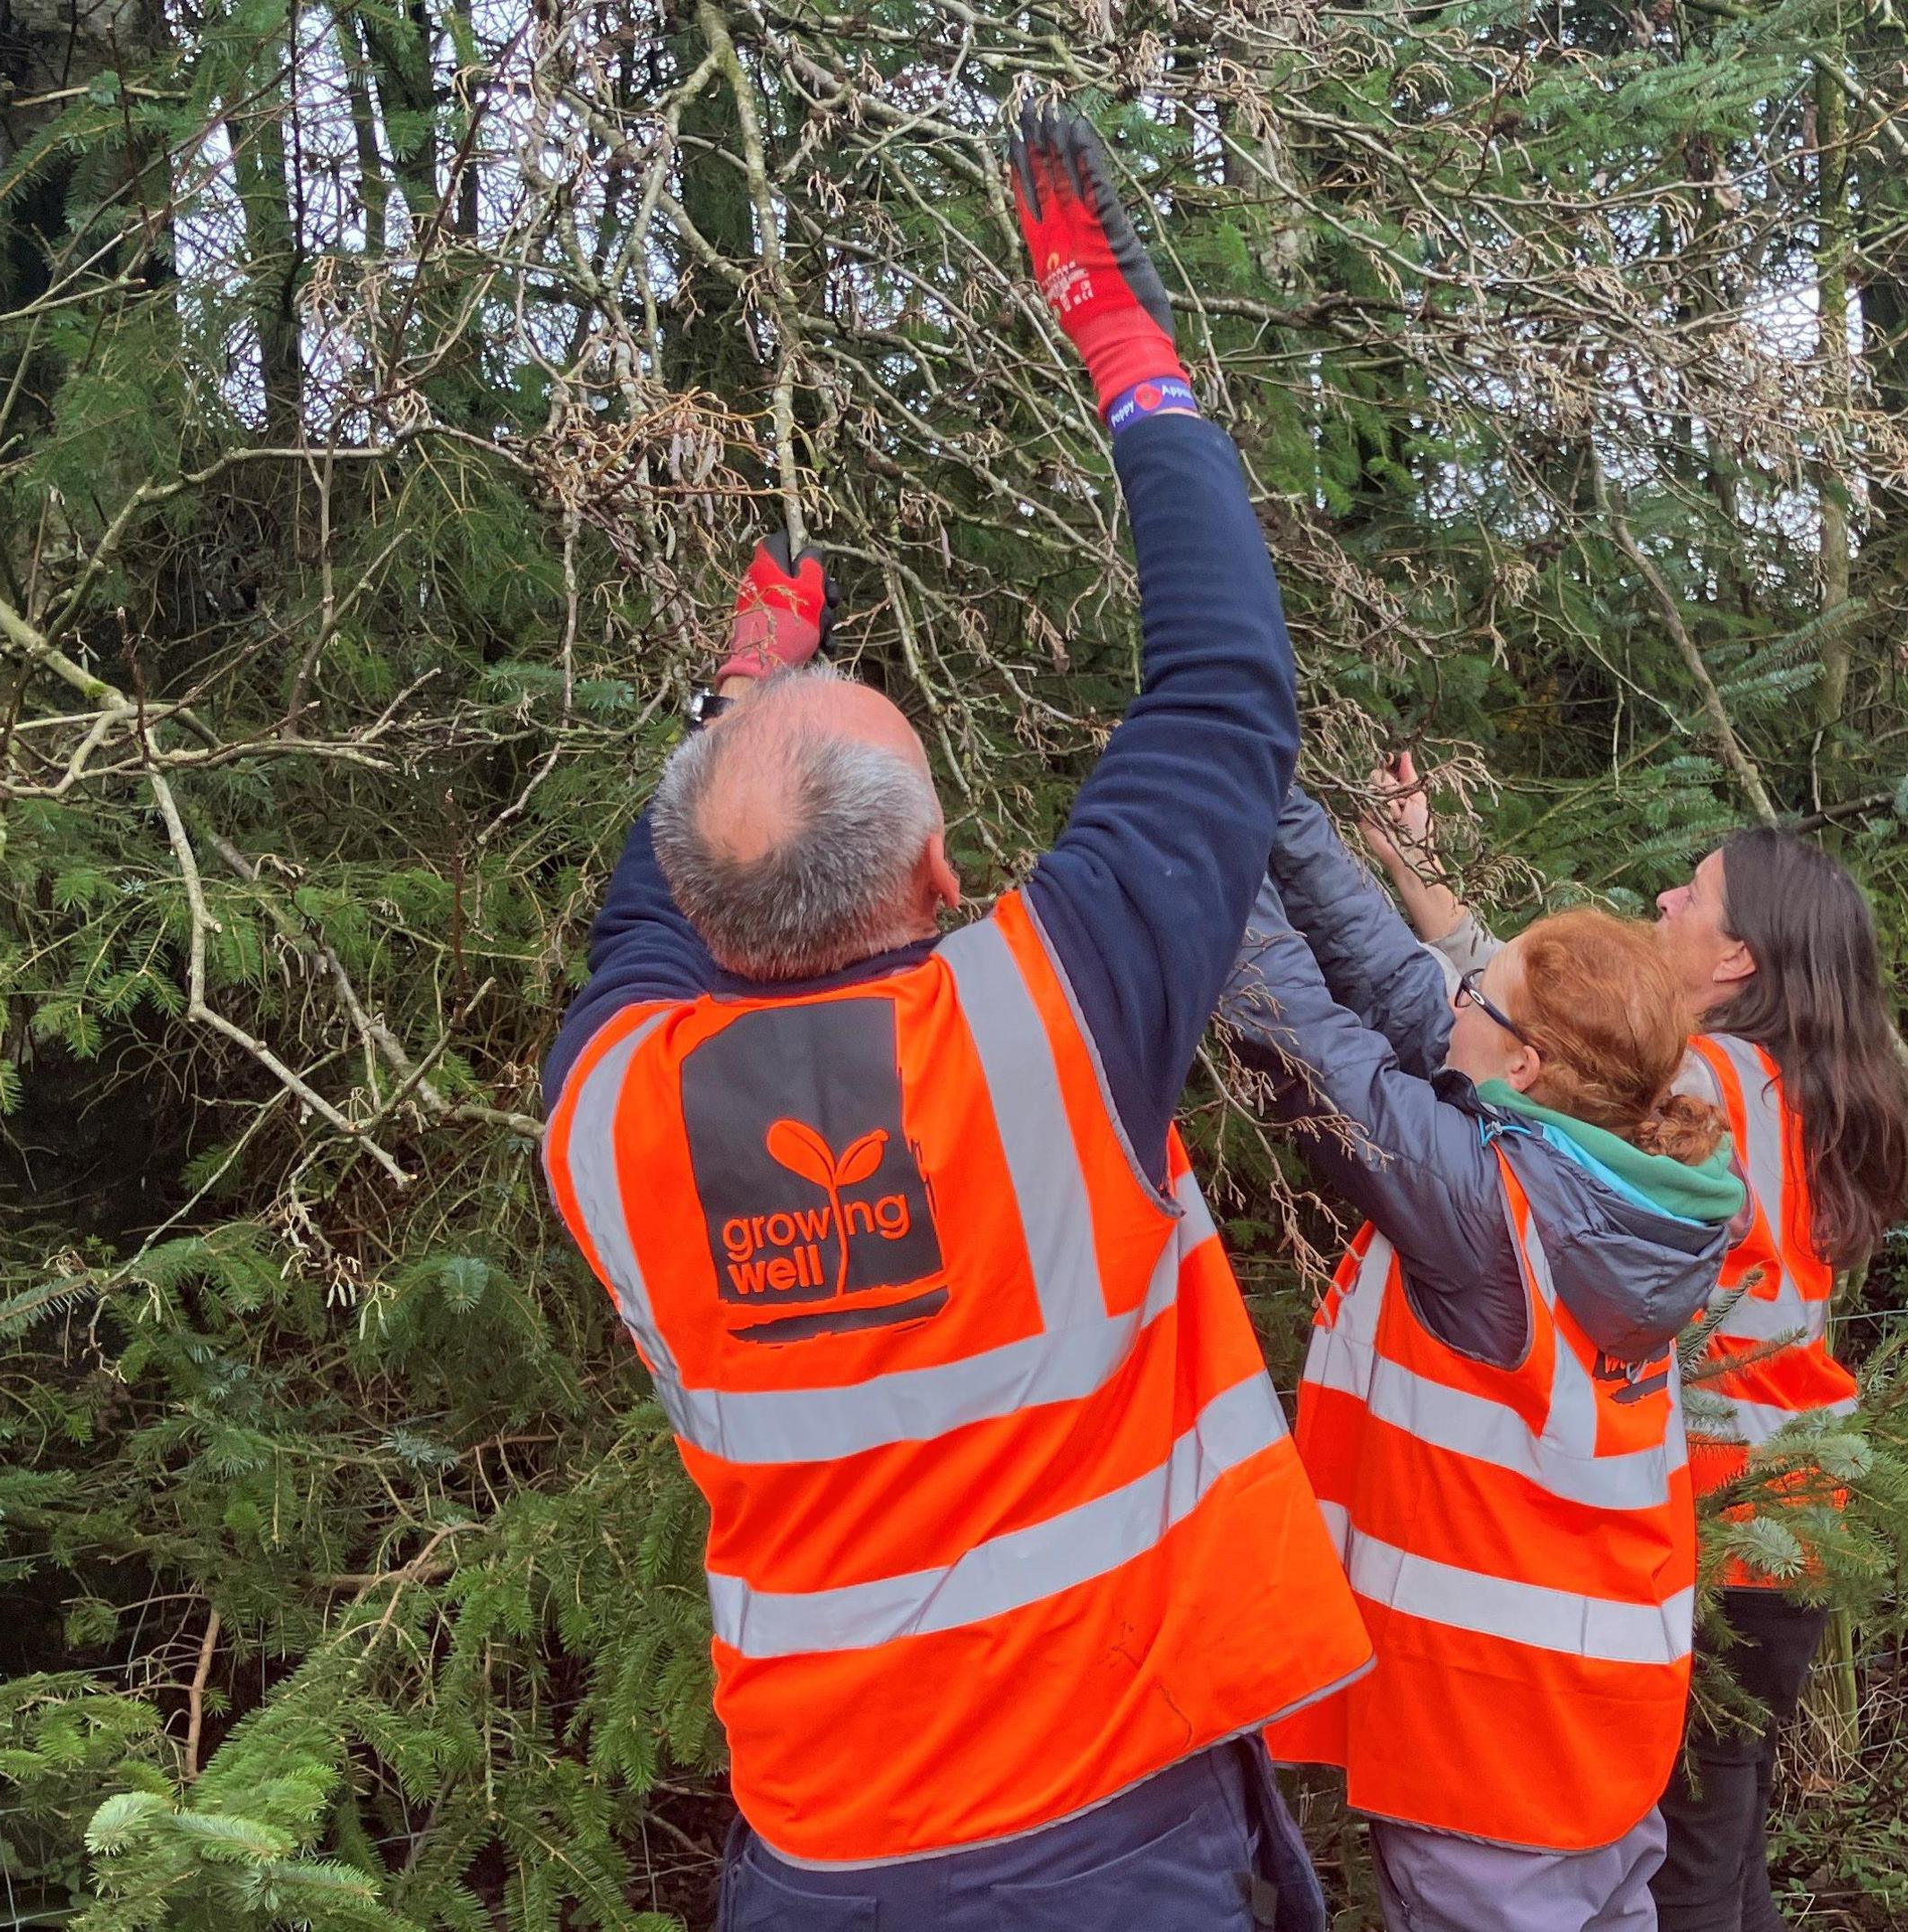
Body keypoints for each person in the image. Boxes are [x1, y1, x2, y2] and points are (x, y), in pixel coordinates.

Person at [538, 109, 1369, 1929]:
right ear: (933, 885)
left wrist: (740, 693)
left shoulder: (604, 1113)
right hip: (1106, 1831)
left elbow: (639, 908)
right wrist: (1117, 336)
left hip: (823, 1852)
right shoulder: (1041, 1019)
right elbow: (1224, 678)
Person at [1359, 756, 1908, 1932]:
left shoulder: (1700, 1078)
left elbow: (1531, 1027)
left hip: (1724, 1517)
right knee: (1724, 1835)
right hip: (1800, 1514)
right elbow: (1534, 1009)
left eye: (1694, 895)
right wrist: (1415, 858)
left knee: (1694, 1870)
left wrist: (1411, 874)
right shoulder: (1807, 1086)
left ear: (1737, 962)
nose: (1664, 902)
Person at [1227, 783, 1748, 1932]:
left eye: (1482, 993)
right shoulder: (1615, 1181)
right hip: (1602, 1740)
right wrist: (1272, 794)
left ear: (1529, 1066)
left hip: (1492, 1759)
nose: (1451, 993)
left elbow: (1296, 1038)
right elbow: (1401, 993)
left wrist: (1198, 799)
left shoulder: (1489, 1216)